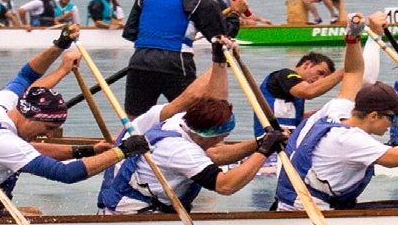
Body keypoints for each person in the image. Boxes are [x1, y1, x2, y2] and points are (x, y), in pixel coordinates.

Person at [0, 28, 144, 218]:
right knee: (34, 216)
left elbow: (27, 76)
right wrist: (123, 152)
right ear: (31, 116)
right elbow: (66, 173)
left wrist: (60, 47)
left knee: (34, 212)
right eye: (48, 128)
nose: (48, 136)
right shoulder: (1, 142)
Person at [272, 13, 398, 211]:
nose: (394, 123)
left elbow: (354, 72)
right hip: (307, 211)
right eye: (392, 117)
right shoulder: (350, 140)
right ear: (374, 115)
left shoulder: (337, 111)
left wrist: (353, 37)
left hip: (300, 202)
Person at [100, 43, 281, 213]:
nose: (222, 141)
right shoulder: (181, 150)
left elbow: (214, 105)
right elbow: (225, 186)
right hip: (135, 213)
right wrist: (264, 151)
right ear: (212, 135)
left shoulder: (180, 121)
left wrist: (220, 61)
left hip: (138, 200)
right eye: (222, 137)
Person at [121, 0, 234, 116]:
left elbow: (131, 34)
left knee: (136, 118)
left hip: (139, 62)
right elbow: (221, 38)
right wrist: (235, 13)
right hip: (176, 62)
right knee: (192, 116)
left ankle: (137, 132)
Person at [253, 54, 341, 139]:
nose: (320, 80)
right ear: (306, 64)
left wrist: (323, 113)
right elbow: (308, 92)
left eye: (325, 78)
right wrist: (345, 72)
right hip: (270, 142)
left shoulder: (298, 91)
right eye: (320, 73)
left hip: (288, 141)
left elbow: (295, 119)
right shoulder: (285, 75)